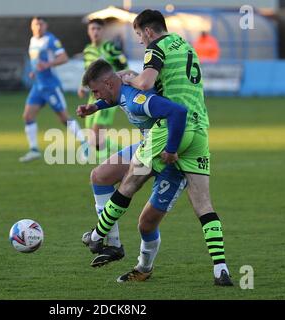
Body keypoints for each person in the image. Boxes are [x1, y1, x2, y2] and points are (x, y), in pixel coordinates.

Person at [83, 9, 233, 286]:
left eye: (139, 35)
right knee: (203, 204)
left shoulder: (156, 48)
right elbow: (143, 92)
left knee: (129, 184)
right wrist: (99, 102)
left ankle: (97, 236)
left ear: (148, 32)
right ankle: (220, 268)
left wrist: (131, 78)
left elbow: (146, 83)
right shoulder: (184, 44)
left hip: (169, 131)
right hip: (199, 130)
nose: (140, 41)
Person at [78, 59, 188, 269]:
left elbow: (176, 112)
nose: (95, 95)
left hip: (166, 151)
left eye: (96, 91)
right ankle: (112, 244)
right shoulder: (120, 87)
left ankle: (143, 267)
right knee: (100, 176)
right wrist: (95, 106)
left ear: (109, 84)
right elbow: (113, 98)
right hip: (147, 144)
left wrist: (171, 150)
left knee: (147, 223)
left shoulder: (134, 98)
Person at [19, 17, 87, 163]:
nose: (38, 27)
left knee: (63, 117)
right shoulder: (33, 40)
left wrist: (48, 64)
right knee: (28, 116)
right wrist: (34, 72)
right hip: (38, 86)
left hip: (51, 86)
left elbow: (64, 58)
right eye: (35, 24)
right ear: (32, 26)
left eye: (41, 24)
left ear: (46, 26)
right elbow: (37, 62)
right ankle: (34, 150)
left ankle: (84, 143)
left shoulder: (51, 40)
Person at [78, 19, 128, 162]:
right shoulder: (88, 50)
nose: (95, 32)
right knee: (93, 135)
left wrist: (116, 83)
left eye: (98, 29)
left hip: (109, 95)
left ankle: (103, 164)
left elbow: (124, 65)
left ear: (103, 31)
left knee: (96, 130)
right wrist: (82, 86)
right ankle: (125, 153)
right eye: (92, 29)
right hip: (94, 95)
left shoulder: (110, 48)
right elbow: (87, 72)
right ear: (88, 31)